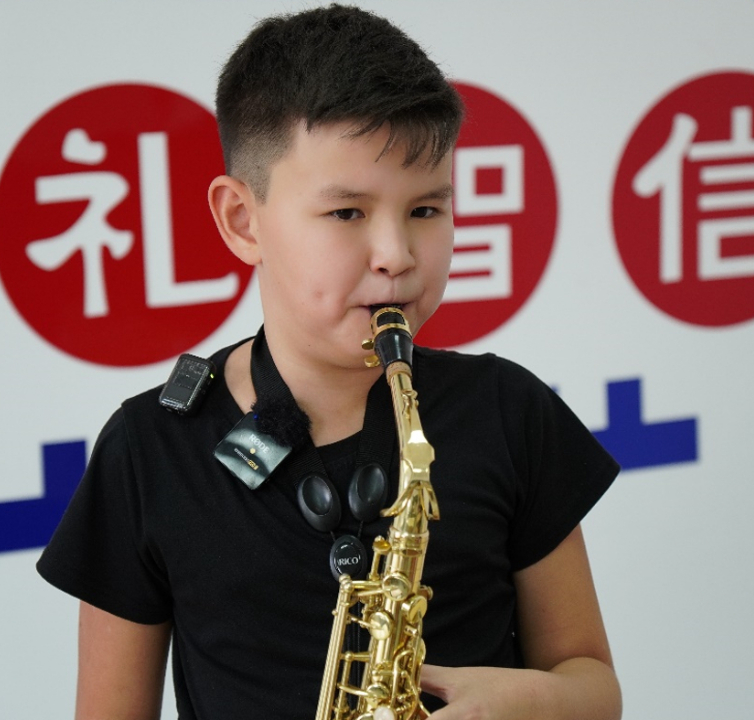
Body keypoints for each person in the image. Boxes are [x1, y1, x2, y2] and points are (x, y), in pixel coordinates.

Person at [37, 5, 622, 719]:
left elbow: (594, 685)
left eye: (427, 210)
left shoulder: (508, 410)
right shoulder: (149, 450)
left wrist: (529, 702)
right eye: (347, 213)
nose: (397, 257)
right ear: (242, 220)